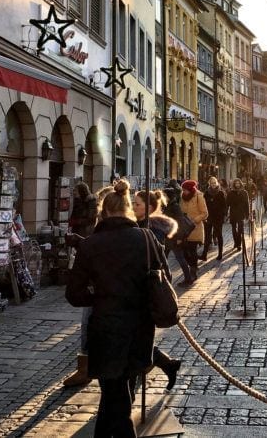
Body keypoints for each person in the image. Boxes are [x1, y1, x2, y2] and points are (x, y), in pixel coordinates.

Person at [66, 180, 163, 437]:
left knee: (115, 394)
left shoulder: (90, 245)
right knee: (119, 393)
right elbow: (164, 280)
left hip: (105, 328)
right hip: (139, 329)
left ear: (103, 211)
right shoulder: (146, 237)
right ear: (129, 208)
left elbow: (74, 294)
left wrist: (100, 296)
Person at [133, 190, 183, 390]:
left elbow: (153, 263)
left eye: (137, 204)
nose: (133, 207)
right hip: (142, 288)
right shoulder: (142, 227)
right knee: (137, 339)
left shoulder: (150, 230)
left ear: (150, 208)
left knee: (136, 339)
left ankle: (164, 365)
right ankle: (167, 364)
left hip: (147, 290)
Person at [63, 182, 99, 387]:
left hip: (102, 293)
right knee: (88, 324)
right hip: (99, 291)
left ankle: (86, 369)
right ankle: (85, 368)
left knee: (89, 324)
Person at [162, 185, 195, 285]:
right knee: (163, 258)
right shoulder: (168, 206)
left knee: (179, 258)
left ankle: (188, 278)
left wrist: (180, 237)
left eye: (164, 195)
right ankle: (165, 279)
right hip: (168, 237)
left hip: (174, 237)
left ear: (168, 196)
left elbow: (180, 223)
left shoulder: (175, 207)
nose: (163, 197)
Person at [180, 180, 208, 280]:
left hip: (195, 228)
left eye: (185, 190)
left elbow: (205, 213)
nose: (184, 191)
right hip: (184, 228)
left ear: (190, 189)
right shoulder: (182, 196)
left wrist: (194, 220)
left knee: (192, 251)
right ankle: (193, 267)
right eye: (182, 190)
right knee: (184, 252)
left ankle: (193, 271)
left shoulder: (198, 196)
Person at [201, 177, 227, 262]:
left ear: (217, 183)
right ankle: (204, 254)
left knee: (219, 235)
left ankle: (220, 253)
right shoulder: (206, 193)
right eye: (211, 183)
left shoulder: (220, 193)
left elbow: (224, 206)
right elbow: (203, 205)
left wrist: (223, 215)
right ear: (209, 183)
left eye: (214, 183)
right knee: (207, 236)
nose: (213, 184)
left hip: (218, 217)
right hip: (208, 217)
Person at [226, 178, 250, 251]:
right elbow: (227, 203)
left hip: (241, 213)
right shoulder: (230, 193)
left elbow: (247, 204)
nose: (237, 185)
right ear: (234, 184)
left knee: (240, 229)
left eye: (238, 183)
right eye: (236, 183)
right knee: (234, 229)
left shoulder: (244, 192)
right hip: (233, 213)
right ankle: (236, 242)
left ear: (240, 184)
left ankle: (238, 244)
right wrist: (226, 213)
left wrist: (247, 214)